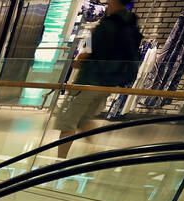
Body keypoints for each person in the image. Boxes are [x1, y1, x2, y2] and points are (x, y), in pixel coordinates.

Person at [54, 0, 143, 158]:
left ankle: (58, 162)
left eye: (109, 3)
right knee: (84, 119)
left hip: (88, 82)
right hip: (108, 85)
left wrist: (77, 60)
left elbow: (85, 53)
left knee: (68, 122)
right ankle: (95, 155)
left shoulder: (104, 26)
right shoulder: (131, 27)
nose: (107, 6)